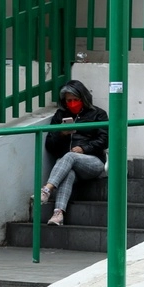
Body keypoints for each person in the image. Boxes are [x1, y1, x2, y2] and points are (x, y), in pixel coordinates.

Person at [39, 79, 109, 225]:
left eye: (75, 100)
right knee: (68, 172)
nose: (72, 103)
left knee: (70, 156)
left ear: (83, 98)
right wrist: (61, 134)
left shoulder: (98, 114)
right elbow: (50, 145)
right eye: (68, 100)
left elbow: (105, 140)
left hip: (93, 161)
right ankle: (58, 214)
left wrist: (84, 148)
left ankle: (47, 189)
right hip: (67, 164)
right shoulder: (60, 115)